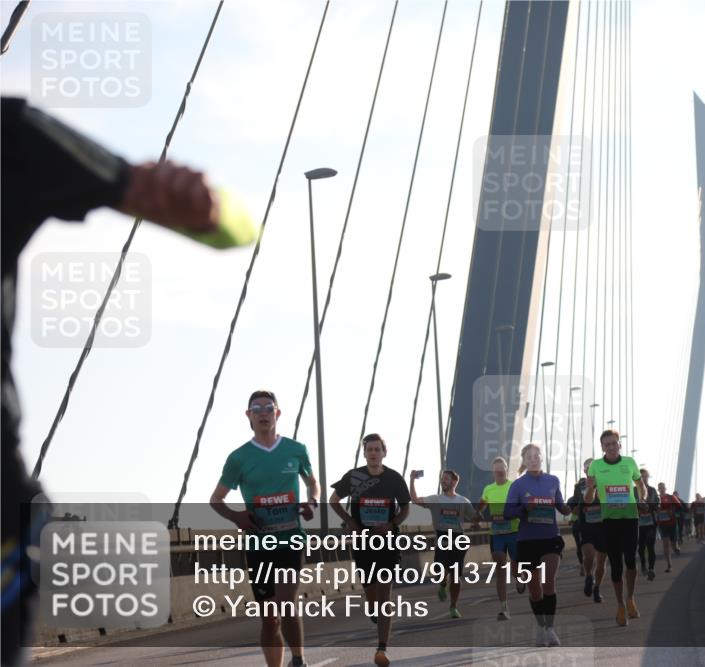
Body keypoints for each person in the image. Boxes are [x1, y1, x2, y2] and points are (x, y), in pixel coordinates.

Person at [1, 96, 220, 666]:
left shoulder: (13, 133)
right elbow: (162, 195)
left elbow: (153, 191)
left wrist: (174, 192)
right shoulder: (13, 131)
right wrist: (184, 193)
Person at [210, 390, 318, 667]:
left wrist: (312, 500)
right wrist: (237, 518)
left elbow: (311, 482)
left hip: (291, 538)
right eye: (256, 409)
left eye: (268, 408)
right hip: (259, 544)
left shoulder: (296, 449)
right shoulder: (239, 458)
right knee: (270, 617)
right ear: (248, 416)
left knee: (285, 603)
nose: (262, 413)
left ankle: (298, 659)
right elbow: (216, 500)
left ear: (277, 414)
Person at [330, 434, 410, 667]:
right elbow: (334, 500)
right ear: (364, 453)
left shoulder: (394, 478)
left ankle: (382, 648)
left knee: (385, 594)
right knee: (371, 591)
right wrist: (349, 521)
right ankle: (371, 606)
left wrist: (392, 524)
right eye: (369, 450)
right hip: (363, 542)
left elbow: (405, 508)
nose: (373, 453)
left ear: (384, 452)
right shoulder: (354, 477)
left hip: (387, 542)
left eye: (377, 449)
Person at [503, 443, 571, 647]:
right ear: (524, 461)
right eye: (529, 456)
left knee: (548, 580)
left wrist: (570, 508)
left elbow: (560, 505)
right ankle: (541, 627)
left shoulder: (553, 480)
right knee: (534, 590)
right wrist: (524, 509)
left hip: (550, 538)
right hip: (527, 541)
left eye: (536, 455)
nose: (533, 459)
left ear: (542, 458)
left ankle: (550, 629)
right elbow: (507, 513)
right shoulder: (518, 485)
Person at [585, 430, 645, 627]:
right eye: (607, 444)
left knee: (630, 560)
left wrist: (642, 497)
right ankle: (620, 606)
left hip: (630, 518)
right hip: (609, 521)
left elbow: (640, 483)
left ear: (620, 444)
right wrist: (591, 487)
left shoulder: (629, 463)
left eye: (614, 443)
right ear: (602, 447)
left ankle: (630, 598)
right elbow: (588, 500)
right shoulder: (595, 466)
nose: (611, 446)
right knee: (616, 565)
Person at [409, 469, 478, 619]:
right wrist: (412, 480)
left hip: (458, 538)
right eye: (442, 478)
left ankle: (453, 606)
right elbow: (414, 500)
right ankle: (442, 585)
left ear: (454, 482)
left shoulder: (463, 501)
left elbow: (474, 517)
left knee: (455, 576)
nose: (443, 481)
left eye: (446, 479)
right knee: (440, 570)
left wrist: (476, 521)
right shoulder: (435, 499)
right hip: (442, 537)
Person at [475, 457, 525, 621]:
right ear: (493, 473)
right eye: (496, 471)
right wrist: (478, 513)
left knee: (516, 567)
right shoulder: (488, 488)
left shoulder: (514, 486)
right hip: (496, 534)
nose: (499, 473)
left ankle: (519, 578)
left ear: (506, 469)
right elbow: (482, 503)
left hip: (514, 532)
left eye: (502, 470)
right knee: (500, 570)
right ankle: (504, 608)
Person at [570, 458, 607, 603]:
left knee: (602, 562)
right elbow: (574, 505)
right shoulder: (580, 485)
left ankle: (597, 588)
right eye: (587, 469)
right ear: (584, 471)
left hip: (603, 527)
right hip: (587, 526)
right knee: (589, 556)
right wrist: (579, 506)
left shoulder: (606, 482)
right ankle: (588, 577)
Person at [635, 469, 659, 581]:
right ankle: (643, 565)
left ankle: (651, 569)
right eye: (642, 477)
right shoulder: (634, 490)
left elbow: (657, 504)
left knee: (650, 546)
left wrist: (650, 507)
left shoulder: (652, 490)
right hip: (639, 524)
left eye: (646, 476)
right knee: (641, 548)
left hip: (650, 523)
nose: (644, 479)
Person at [655, 483, 681, 570]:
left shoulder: (671, 497)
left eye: (662, 488)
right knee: (665, 543)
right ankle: (669, 564)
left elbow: (680, 507)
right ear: (658, 489)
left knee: (673, 544)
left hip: (672, 523)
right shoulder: (656, 499)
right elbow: (652, 509)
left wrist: (672, 512)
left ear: (665, 488)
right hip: (662, 525)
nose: (661, 489)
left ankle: (676, 548)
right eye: (660, 488)